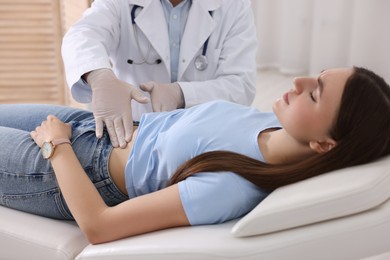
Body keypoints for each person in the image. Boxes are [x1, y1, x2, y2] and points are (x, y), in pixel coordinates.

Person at [0, 67, 389, 245]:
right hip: (91, 126)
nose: (299, 81)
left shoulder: (233, 185)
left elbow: (99, 226)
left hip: (71, 167)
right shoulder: (272, 124)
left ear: (325, 144)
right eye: (317, 74)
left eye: (315, 93)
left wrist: (58, 145)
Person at [61, 0, 258, 148]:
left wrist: (182, 93)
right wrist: (98, 76)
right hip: (134, 133)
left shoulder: (233, 5)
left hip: (203, 137)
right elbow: (82, 34)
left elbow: (241, 85)